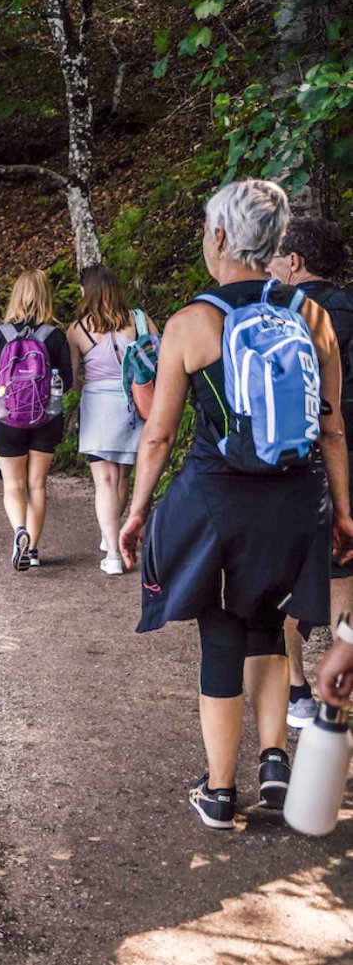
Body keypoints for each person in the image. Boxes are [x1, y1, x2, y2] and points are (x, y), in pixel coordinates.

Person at [119, 179, 353, 830]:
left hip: (218, 503)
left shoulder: (193, 323)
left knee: (221, 636)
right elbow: (331, 427)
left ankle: (221, 790)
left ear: (220, 238)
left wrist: (137, 511)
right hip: (298, 500)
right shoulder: (314, 317)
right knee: (278, 626)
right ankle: (276, 761)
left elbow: (159, 434)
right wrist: (341, 509)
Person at [269, 217, 352, 727]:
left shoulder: (287, 315)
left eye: (274, 259)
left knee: (286, 574)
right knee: (345, 567)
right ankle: (343, 677)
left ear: (294, 262)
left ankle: (297, 690)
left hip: (305, 460)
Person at [67, 266, 159, 577]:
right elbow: (161, 356)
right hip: (135, 403)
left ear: (87, 291)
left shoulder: (77, 329)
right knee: (121, 478)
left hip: (98, 407)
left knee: (103, 481)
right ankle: (113, 539)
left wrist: (89, 386)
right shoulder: (140, 319)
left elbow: (72, 378)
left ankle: (113, 553)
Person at [0, 271, 72, 570]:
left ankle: (18, 530)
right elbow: (67, 382)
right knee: (37, 485)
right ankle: (32, 550)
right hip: (46, 417)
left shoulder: (0, 334)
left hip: (8, 419)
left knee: (12, 485)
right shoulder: (55, 336)